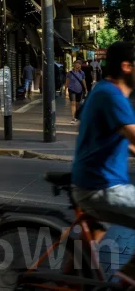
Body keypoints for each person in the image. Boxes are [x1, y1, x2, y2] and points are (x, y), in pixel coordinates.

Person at [71, 41, 135, 287]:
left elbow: (116, 138)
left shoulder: (101, 89)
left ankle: (68, 280)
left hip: (90, 180)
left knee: (93, 233)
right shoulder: (112, 95)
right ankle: (126, 280)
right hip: (102, 186)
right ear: (127, 66)